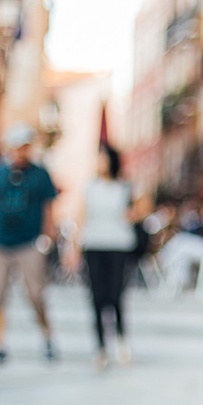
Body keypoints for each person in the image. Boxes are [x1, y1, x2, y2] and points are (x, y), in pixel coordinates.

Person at [0, 124, 59, 366]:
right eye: (18, 147)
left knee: (35, 294)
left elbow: (49, 208)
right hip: (0, 242)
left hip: (29, 242)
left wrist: (47, 237)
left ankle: (47, 337)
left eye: (25, 147)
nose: (22, 152)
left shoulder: (40, 174)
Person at [75, 144, 135, 368]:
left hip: (119, 244)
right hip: (94, 244)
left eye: (103, 158)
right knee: (97, 297)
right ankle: (100, 347)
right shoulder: (90, 188)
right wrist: (74, 247)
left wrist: (132, 213)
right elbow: (82, 216)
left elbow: (140, 210)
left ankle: (122, 341)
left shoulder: (124, 187)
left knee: (116, 294)